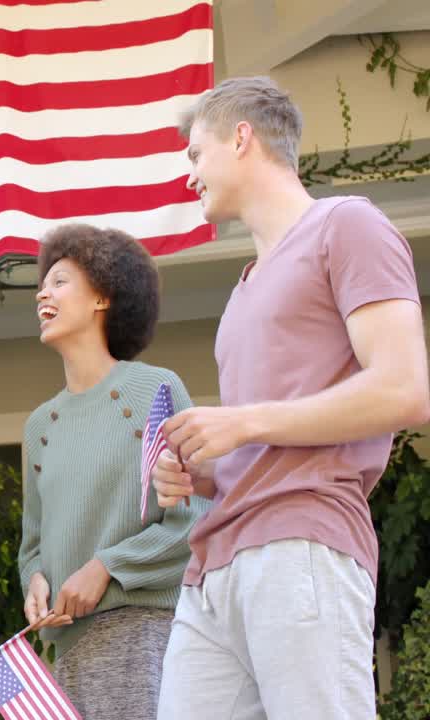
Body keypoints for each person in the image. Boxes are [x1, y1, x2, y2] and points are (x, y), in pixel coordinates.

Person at [154, 76, 429, 719]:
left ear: (241, 137)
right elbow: (266, 441)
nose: (189, 174)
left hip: (304, 543)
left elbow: (405, 387)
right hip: (214, 570)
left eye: (196, 154)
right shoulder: (241, 291)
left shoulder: (347, 225)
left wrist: (243, 422)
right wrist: (202, 473)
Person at [17, 224, 207, 718]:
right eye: (44, 283)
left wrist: (105, 568)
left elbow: (191, 523)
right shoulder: (39, 425)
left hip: (139, 634)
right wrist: (34, 581)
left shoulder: (154, 390)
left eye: (60, 281)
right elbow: (32, 543)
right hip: (63, 653)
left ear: (102, 296)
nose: (43, 292)